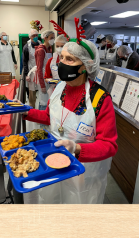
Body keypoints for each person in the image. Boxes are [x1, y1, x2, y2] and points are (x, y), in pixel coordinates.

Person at [19, 19, 118, 204]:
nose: (61, 63)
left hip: (83, 173)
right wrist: (24, 111)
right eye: (62, 57)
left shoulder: (100, 99)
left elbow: (109, 145)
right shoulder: (59, 88)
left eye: (69, 59)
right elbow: (50, 117)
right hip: (53, 163)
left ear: (85, 66)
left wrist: (77, 148)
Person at [34, 30, 55, 110]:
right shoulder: (41, 51)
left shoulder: (49, 48)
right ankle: (42, 121)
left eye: (53, 38)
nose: (53, 39)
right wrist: (42, 85)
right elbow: (39, 69)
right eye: (51, 38)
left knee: (48, 100)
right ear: (45, 38)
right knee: (43, 101)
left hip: (48, 77)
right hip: (42, 78)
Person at [23, 29, 40, 110]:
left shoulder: (40, 44)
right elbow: (25, 61)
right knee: (32, 92)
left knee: (41, 90)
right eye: (33, 36)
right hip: (31, 72)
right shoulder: (26, 47)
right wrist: (26, 74)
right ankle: (32, 109)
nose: (35, 37)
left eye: (36, 35)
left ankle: (41, 109)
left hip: (40, 70)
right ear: (30, 37)